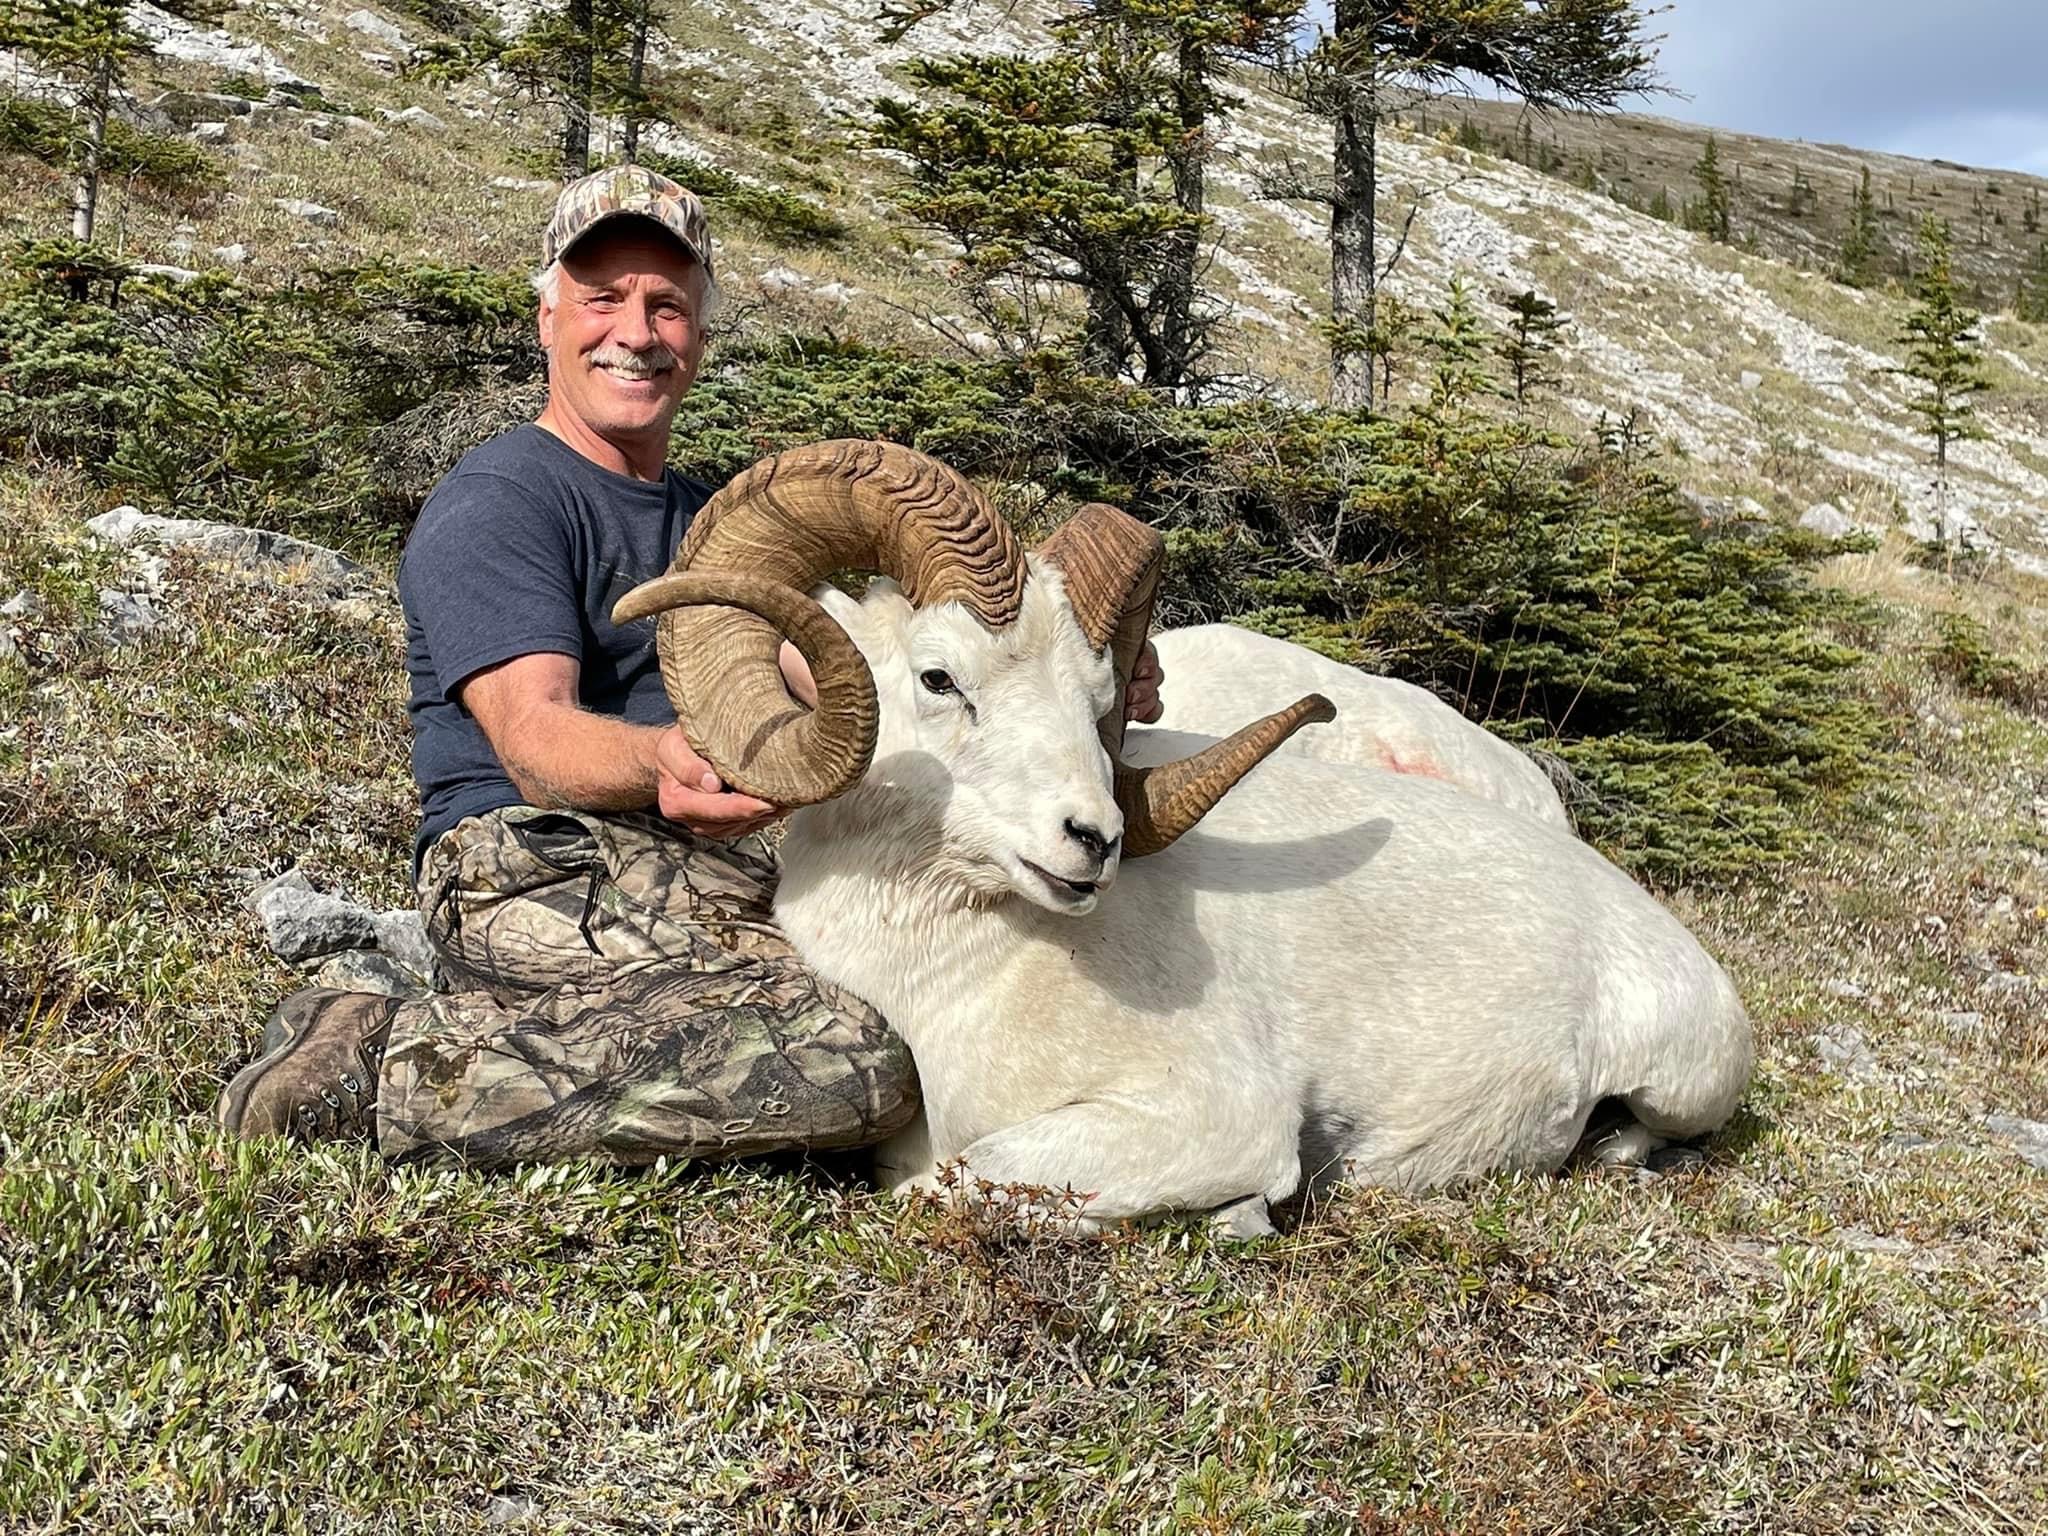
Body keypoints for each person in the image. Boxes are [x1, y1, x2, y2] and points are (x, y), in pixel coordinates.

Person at [215, 165, 1163, 1167]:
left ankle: (560, 1031)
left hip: (725, 857)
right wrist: (664, 760)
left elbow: (850, 677)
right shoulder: (502, 500)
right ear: (546, 319)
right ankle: (373, 1059)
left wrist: (1070, 678)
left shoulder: (721, 519)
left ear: (698, 336)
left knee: (896, 997)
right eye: (601, 299)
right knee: (850, 1051)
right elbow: (535, 742)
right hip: (531, 860)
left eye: (666, 306)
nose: (634, 331)